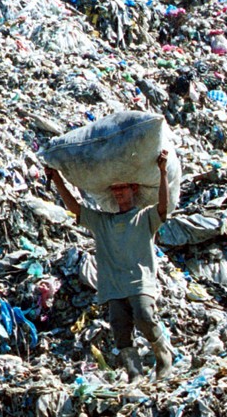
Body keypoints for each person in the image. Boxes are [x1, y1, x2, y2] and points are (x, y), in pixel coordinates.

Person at [46, 150, 176, 381]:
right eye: (114, 189)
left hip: (139, 281)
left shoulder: (144, 217)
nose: (118, 193)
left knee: (145, 316)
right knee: (120, 329)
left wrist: (163, 172)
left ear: (133, 189)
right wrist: (56, 179)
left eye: (122, 188)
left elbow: (164, 208)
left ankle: (164, 359)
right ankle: (135, 374)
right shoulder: (102, 221)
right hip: (113, 284)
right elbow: (75, 208)